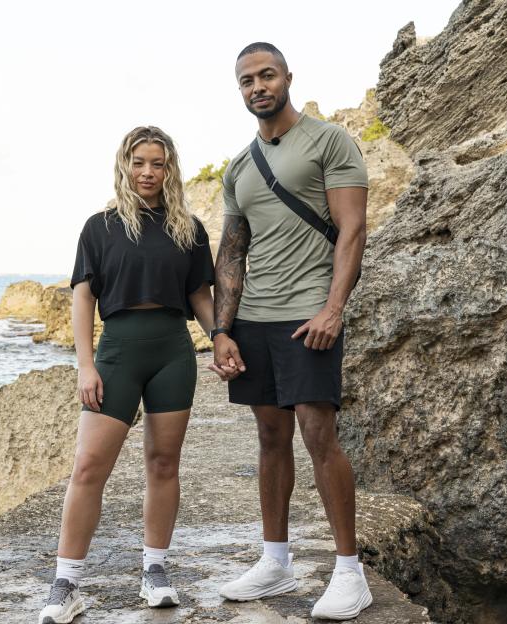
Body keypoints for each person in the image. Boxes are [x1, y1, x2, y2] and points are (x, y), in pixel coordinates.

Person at [209, 42, 371, 620]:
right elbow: (232, 253)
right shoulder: (238, 167)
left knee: (318, 433)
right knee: (270, 437)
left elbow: (352, 229)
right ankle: (275, 562)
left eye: (267, 75)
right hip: (254, 318)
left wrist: (333, 309)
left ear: (287, 78)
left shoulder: (330, 141)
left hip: (309, 314)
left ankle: (350, 572)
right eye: (247, 80)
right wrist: (221, 330)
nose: (258, 86)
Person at [38, 126, 216, 624]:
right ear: (125, 165)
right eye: (139, 162)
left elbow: (199, 295)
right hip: (116, 352)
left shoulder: (188, 228)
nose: (148, 172)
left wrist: (221, 335)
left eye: (158, 163)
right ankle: (66, 584)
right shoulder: (100, 227)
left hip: (173, 352)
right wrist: (85, 364)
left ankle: (155, 570)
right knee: (88, 467)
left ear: (169, 168)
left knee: (163, 463)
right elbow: (83, 298)